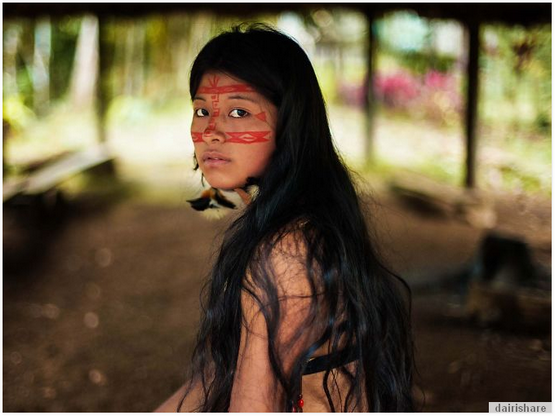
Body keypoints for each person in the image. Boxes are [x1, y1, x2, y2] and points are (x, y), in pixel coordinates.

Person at [156, 23, 415, 412]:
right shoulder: (290, 224)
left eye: (238, 112)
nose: (211, 132)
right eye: (202, 111)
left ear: (288, 124)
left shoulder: (289, 252)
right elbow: (215, 376)